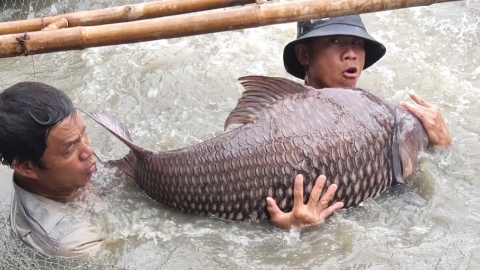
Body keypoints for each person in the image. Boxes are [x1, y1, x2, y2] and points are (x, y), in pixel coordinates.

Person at [266, 15, 452, 229]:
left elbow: (419, 203)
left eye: (357, 42)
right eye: (335, 41)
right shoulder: (277, 113)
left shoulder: (383, 118)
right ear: (303, 54)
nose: (351, 54)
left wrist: (441, 146)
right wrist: (285, 229)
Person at [0, 82, 102, 257]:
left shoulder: (57, 173)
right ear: (26, 166)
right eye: (70, 148)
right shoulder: (74, 243)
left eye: (83, 133)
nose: (88, 151)